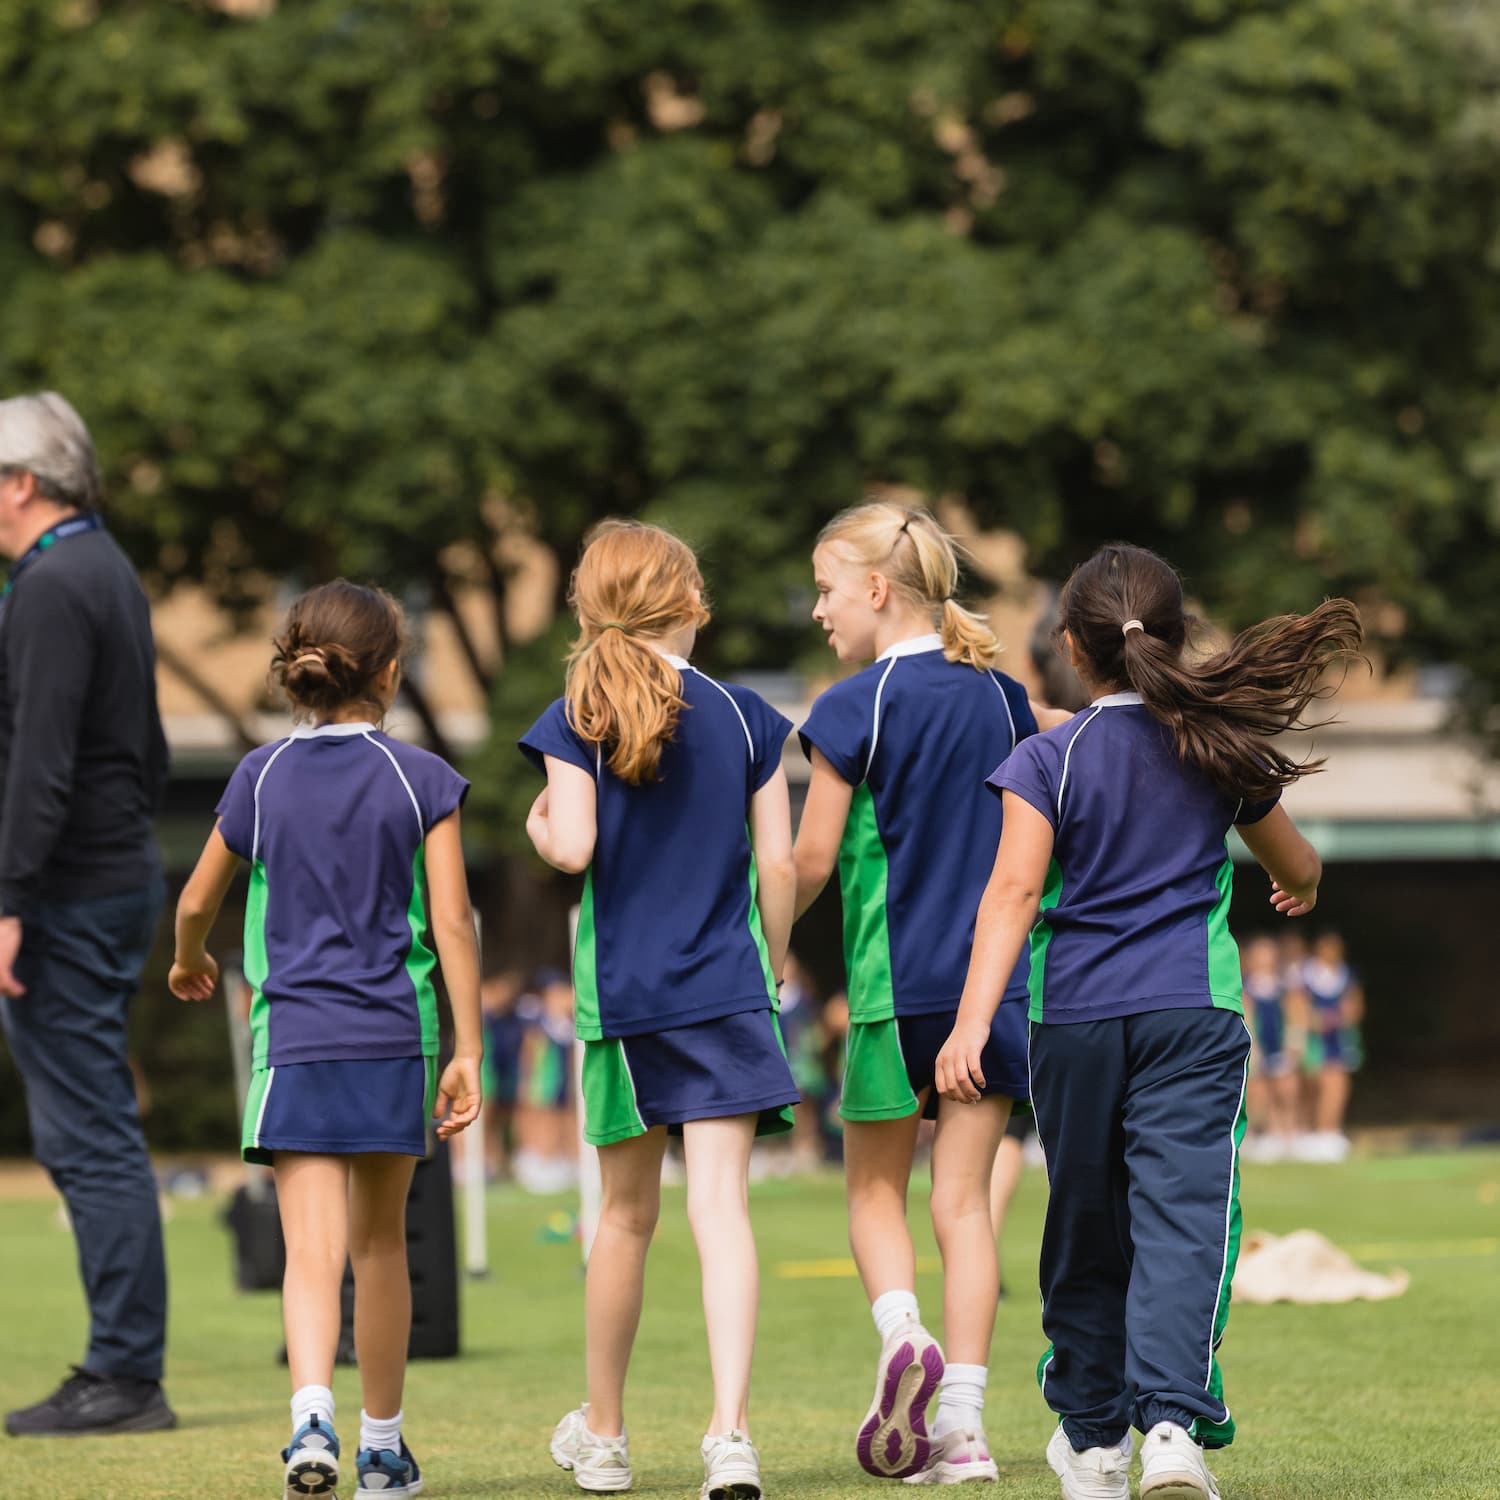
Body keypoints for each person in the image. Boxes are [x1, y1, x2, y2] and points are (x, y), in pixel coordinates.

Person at [935, 543, 1361, 1500]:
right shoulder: (1215, 745)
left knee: (1085, 1220)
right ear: (1176, 635)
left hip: (1073, 1019)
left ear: (1070, 648)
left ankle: (1093, 1440)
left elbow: (1011, 895)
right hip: (1191, 1013)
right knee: (1183, 1218)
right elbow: (1297, 864)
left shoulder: (1046, 758)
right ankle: (1171, 1427)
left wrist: (969, 1027)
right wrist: (1300, 887)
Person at [168, 580, 482, 1499]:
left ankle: (312, 1420)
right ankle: (382, 1450)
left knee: (311, 1251)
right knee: (381, 1247)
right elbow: (453, 922)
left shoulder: (259, 777)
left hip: (295, 1041)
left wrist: (189, 958)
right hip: (395, 1039)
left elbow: (195, 900)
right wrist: (468, 1047)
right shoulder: (421, 777)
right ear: (390, 672)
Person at [791, 501, 1069, 1484]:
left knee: (873, 1192)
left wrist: (761, 942)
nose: (818, 610)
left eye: (825, 589)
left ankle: (904, 1331)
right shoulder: (1001, 697)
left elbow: (811, 858)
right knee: (964, 1208)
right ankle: (966, 1433)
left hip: (888, 993)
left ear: (875, 590)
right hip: (993, 993)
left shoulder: (850, 706)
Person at [519, 520, 797, 1500]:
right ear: (691, 602)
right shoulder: (749, 716)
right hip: (729, 992)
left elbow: (573, 848)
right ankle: (731, 1437)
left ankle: (604, 1438)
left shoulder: (578, 709)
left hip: (627, 1001)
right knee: (723, 1211)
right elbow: (778, 865)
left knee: (624, 1219)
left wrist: (538, 818)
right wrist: (773, 968)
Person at [0, 393, 176, 1437]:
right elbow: (147, 750)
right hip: (105, 876)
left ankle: (125, 1374)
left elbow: (40, 759)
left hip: (68, 893)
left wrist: (9, 898)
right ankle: (125, 1365)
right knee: (93, 1127)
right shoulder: (103, 566)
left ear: (23, 482)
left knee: (88, 1136)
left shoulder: (53, 583)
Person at [1297, 931, 1365, 1161]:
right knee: (1312, 1086)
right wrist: (1315, 1020)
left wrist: (1342, 1017)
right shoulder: (1306, 975)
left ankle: (1329, 1132)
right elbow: (1297, 1007)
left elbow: (1355, 1006)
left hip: (1339, 1039)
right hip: (1313, 1040)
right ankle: (1311, 1131)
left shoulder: (1347, 975)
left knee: (1336, 1083)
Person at [1240, 935, 1306, 1161]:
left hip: (1280, 1045)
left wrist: (1293, 1045)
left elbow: (1294, 1015)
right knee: (1257, 1091)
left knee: (1287, 1089)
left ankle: (1288, 1135)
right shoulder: (1245, 986)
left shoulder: (1283, 986)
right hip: (1257, 1046)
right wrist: (1254, 1048)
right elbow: (1247, 1016)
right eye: (1259, 954)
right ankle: (1260, 1134)